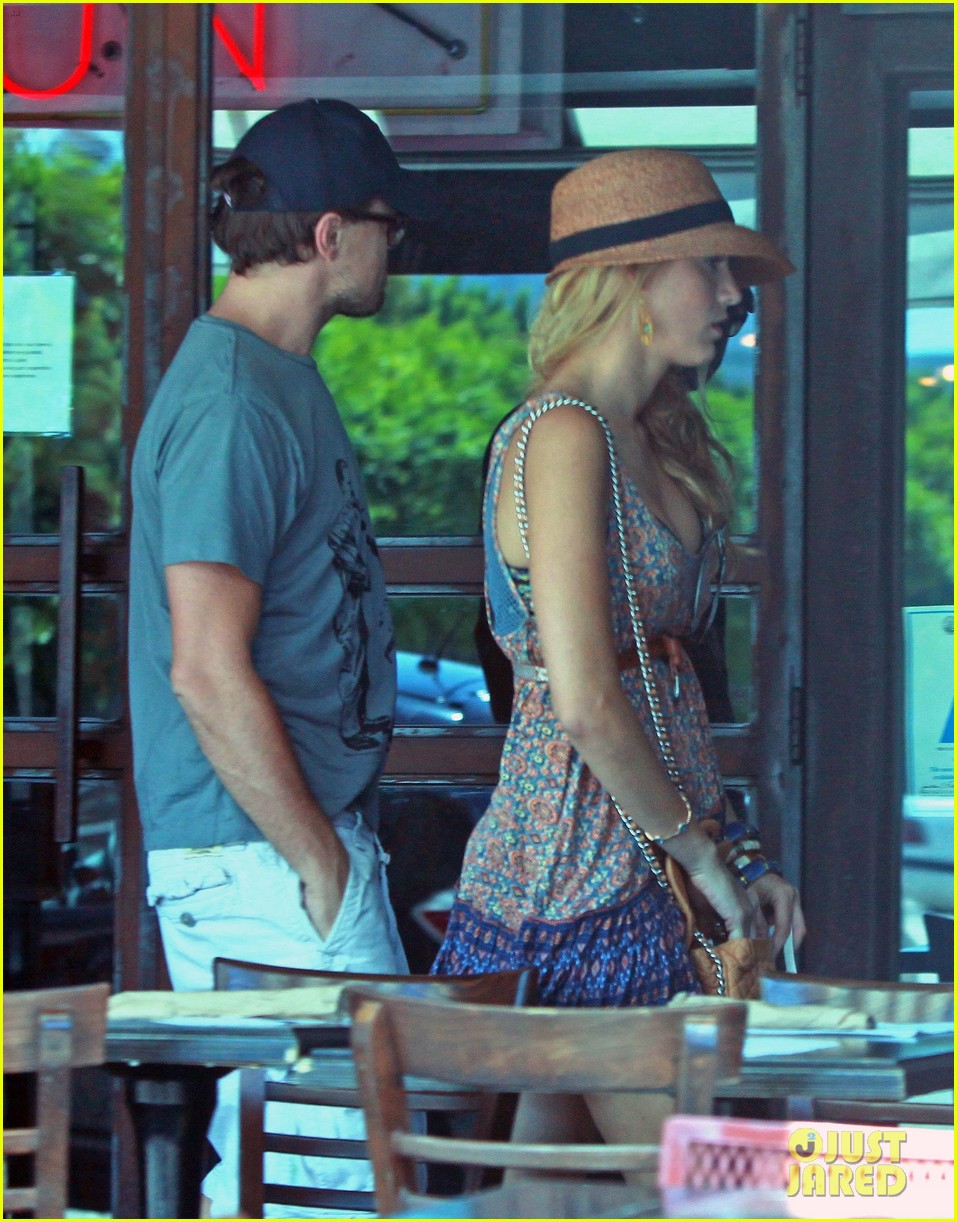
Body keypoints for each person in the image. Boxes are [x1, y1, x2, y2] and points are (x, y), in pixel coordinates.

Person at [128, 98, 432, 1216]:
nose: (397, 250)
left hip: (278, 848)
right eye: (391, 227)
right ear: (330, 234)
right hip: (259, 853)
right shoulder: (232, 401)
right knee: (325, 1186)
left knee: (334, 1174)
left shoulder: (273, 380)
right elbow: (204, 668)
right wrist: (318, 862)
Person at [433, 146, 806, 1004]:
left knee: (673, 1087)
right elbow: (586, 703)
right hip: (573, 878)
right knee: (651, 1100)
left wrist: (737, 852)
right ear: (630, 277)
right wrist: (699, 853)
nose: (732, 294)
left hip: (659, 861)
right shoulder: (563, 432)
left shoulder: (651, 432)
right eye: (708, 265)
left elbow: (667, 690)